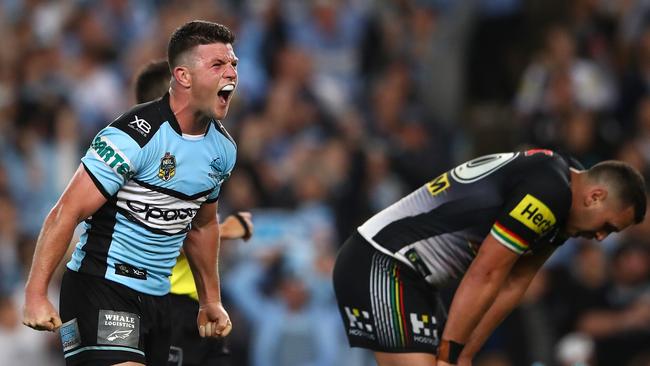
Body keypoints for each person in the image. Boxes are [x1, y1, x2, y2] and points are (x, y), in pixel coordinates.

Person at [22, 20, 240, 366]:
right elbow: (68, 211)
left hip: (158, 299)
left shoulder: (222, 150)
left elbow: (201, 227)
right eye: (218, 64)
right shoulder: (132, 137)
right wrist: (36, 293)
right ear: (183, 76)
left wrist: (209, 300)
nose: (231, 74)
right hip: (99, 287)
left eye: (233, 65)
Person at [332, 149, 647, 366]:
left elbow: (515, 282)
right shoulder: (549, 193)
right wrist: (449, 353)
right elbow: (486, 272)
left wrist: (464, 353)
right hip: (382, 262)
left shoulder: (566, 199)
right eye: (607, 226)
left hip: (413, 278)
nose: (602, 237)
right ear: (595, 197)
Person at [133, 58, 254, 366]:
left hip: (198, 306)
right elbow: (159, 233)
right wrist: (226, 229)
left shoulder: (195, 156)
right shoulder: (145, 164)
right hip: (164, 302)